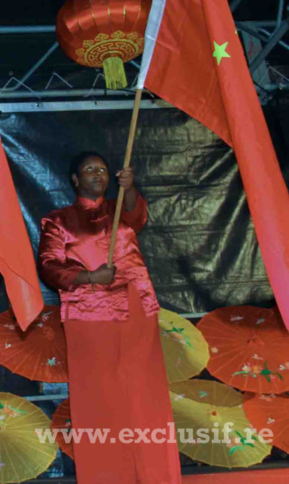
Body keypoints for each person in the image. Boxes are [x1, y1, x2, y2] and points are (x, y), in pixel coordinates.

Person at [37, 152, 182, 484]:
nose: (97, 174)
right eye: (89, 169)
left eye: (102, 169)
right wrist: (90, 278)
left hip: (136, 307)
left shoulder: (120, 211)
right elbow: (48, 266)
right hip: (89, 313)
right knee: (99, 399)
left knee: (145, 395)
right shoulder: (58, 220)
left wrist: (130, 188)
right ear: (75, 179)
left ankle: (156, 474)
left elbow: (138, 215)